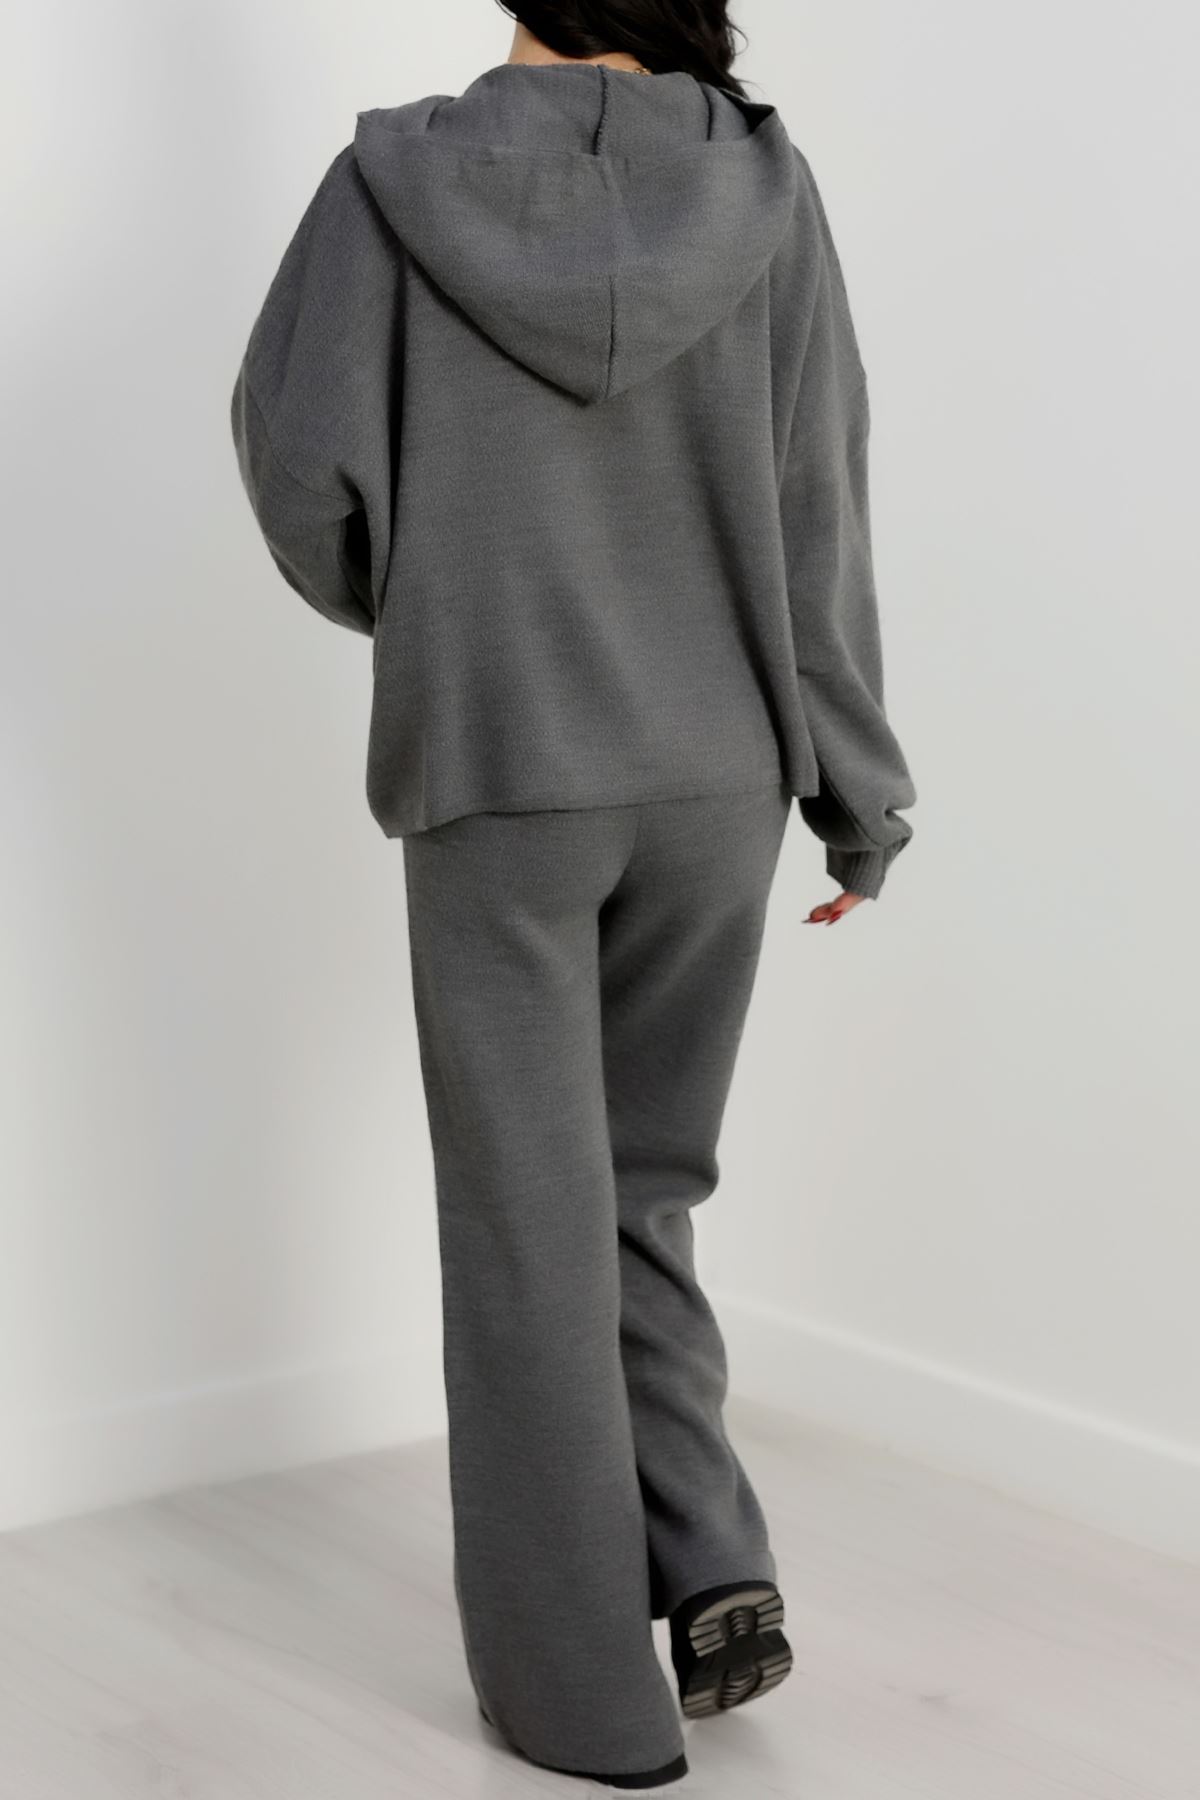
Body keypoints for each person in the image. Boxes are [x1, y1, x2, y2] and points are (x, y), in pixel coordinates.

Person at [230, 0, 916, 1786]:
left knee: (527, 1225)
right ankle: (710, 1560)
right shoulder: (763, 185)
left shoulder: (390, 185)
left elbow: (299, 471)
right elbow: (819, 498)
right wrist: (859, 791)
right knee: (643, 1185)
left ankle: (580, 1702)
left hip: (506, 767)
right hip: (720, 775)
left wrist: (433, 607)